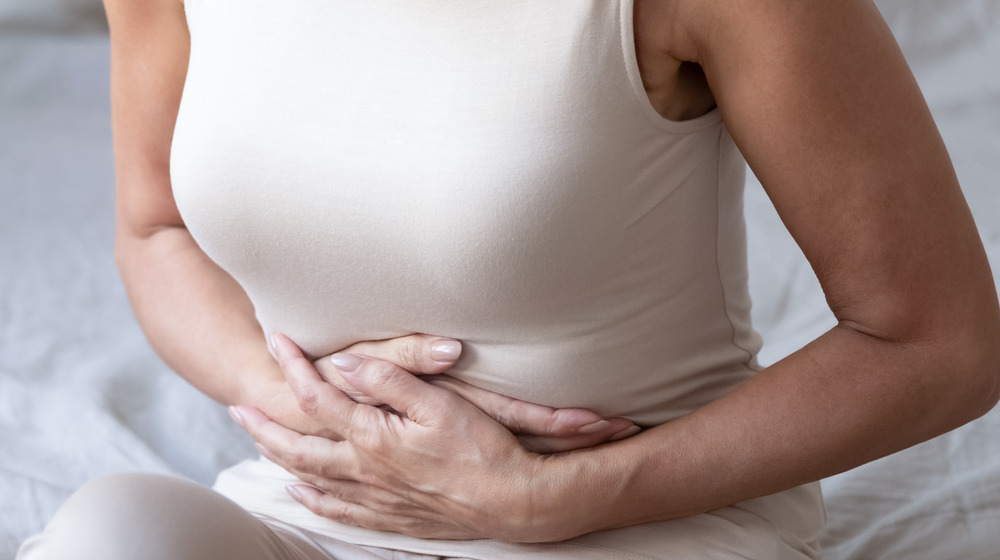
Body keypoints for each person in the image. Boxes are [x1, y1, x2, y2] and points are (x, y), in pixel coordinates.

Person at [18, 0, 1000, 558]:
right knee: (107, 536)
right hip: (326, 511)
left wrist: (556, 495)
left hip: (648, 527)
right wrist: (316, 408)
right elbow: (155, 231)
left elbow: (939, 337)